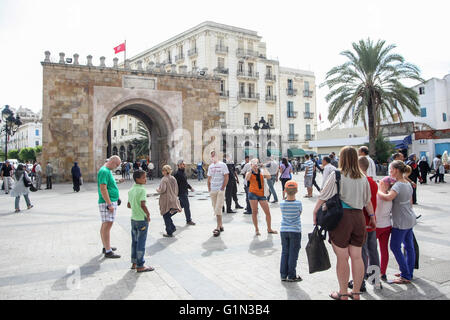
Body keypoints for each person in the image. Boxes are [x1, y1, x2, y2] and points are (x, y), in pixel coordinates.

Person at [312, 146, 375, 300]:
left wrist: (315, 212)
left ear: (342, 158)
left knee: (342, 257)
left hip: (342, 218)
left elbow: (324, 195)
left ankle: (343, 293)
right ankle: (356, 293)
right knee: (357, 256)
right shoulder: (363, 177)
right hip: (359, 217)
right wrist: (372, 216)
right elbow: (367, 200)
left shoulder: (337, 175)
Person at [378, 160, 417, 284]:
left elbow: (388, 197)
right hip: (409, 218)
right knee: (409, 247)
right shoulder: (407, 183)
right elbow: (410, 202)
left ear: (395, 170)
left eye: (390, 170)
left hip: (400, 220)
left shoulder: (398, 185)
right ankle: (408, 272)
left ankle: (405, 275)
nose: (390, 172)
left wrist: (377, 191)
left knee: (395, 246)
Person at [348, 156, 380, 293]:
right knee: (373, 250)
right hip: (372, 223)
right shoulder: (373, 182)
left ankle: (359, 282)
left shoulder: (359, 182)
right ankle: (375, 279)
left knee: (360, 253)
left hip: (361, 222)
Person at [127, 169, 154, 272]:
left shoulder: (131, 190)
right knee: (141, 242)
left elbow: (129, 205)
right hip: (141, 219)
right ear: (137, 179)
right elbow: (143, 204)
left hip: (133, 218)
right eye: (143, 177)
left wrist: (135, 206)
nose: (145, 179)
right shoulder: (142, 190)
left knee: (134, 241)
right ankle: (140, 265)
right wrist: (148, 214)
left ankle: (134, 262)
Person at [98, 155, 123, 258]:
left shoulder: (107, 171)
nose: (116, 167)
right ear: (112, 162)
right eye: (116, 165)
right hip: (106, 202)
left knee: (107, 224)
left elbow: (110, 185)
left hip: (111, 201)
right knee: (107, 225)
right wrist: (109, 204)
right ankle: (108, 251)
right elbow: (103, 188)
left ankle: (106, 246)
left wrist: (117, 197)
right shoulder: (104, 171)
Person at [245, 158, 278, 236]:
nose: (256, 165)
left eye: (257, 163)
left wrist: (264, 167)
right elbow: (247, 178)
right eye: (254, 163)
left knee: (267, 212)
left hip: (262, 194)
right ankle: (256, 229)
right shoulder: (249, 172)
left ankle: (269, 228)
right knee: (255, 212)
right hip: (253, 193)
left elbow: (269, 177)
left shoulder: (262, 171)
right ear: (251, 164)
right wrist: (251, 169)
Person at [279, 180, 303, 282]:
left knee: (285, 252)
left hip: (284, 230)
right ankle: (291, 275)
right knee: (293, 253)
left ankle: (283, 274)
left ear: (285, 190)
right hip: (295, 230)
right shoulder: (298, 203)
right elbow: (299, 213)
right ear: (297, 191)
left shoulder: (282, 203)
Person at [376, 176, 395, 282]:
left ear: (383, 184)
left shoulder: (378, 194)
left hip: (376, 226)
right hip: (387, 225)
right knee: (384, 250)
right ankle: (383, 273)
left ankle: (369, 271)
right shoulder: (391, 196)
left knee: (371, 250)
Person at [207, 151, 229, 236]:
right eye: (211, 156)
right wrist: (209, 188)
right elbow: (209, 177)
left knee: (218, 208)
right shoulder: (210, 166)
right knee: (215, 207)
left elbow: (226, 176)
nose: (212, 157)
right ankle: (221, 225)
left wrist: (223, 187)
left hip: (220, 189)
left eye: (214, 155)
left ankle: (217, 227)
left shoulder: (223, 165)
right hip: (213, 189)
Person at [157, 165, 182, 237]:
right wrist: (174, 196)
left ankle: (169, 231)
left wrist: (158, 190)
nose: (162, 172)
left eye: (163, 170)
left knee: (165, 215)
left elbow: (163, 189)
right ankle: (172, 228)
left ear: (165, 171)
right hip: (173, 198)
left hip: (166, 199)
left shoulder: (164, 179)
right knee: (167, 215)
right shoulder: (173, 178)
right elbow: (176, 188)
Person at [173, 160, 196, 225]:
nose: (184, 165)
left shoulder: (183, 173)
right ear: (179, 165)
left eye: (184, 164)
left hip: (185, 192)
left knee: (180, 206)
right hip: (181, 193)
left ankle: (168, 215)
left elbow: (185, 183)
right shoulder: (177, 174)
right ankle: (188, 220)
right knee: (187, 206)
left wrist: (190, 187)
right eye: (182, 164)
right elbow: (174, 184)